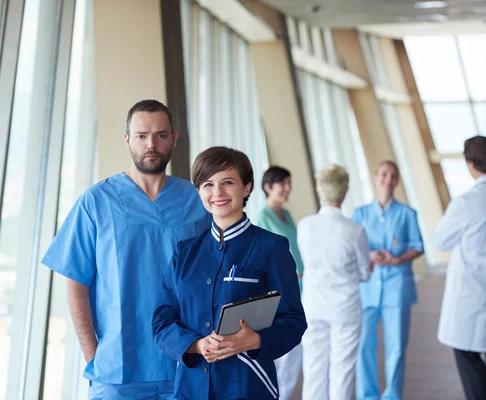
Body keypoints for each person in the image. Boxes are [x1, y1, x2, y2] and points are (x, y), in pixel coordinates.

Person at [41, 100, 210, 399]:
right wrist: (94, 356)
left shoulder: (196, 200)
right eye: (142, 135)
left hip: (185, 364)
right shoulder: (96, 202)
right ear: (127, 138)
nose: (151, 144)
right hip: (117, 372)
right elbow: (76, 286)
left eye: (160, 135)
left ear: (174, 137)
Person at [152, 146, 307, 400]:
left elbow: (293, 321)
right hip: (191, 390)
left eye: (227, 182)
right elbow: (162, 322)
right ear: (199, 191)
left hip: (249, 387)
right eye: (208, 184)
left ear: (247, 188)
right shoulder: (184, 252)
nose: (217, 193)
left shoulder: (271, 248)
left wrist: (254, 340)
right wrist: (198, 345)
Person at [434, 136, 486, 400]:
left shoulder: (466, 202)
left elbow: (440, 241)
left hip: (473, 292)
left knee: (466, 353)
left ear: (469, 163)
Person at [351, 160, 424, 400]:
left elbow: (418, 246)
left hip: (397, 288)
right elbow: (352, 248)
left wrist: (398, 259)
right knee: (363, 347)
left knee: (397, 347)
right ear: (374, 176)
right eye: (383, 174)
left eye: (393, 175)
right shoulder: (359, 214)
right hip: (366, 289)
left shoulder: (407, 214)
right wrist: (369, 254)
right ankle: (367, 396)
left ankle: (392, 395)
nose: (388, 179)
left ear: (397, 180)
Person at [298, 164, 372, 400]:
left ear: (320, 191)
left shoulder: (305, 225)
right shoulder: (355, 230)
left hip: (313, 305)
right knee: (342, 369)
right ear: (345, 192)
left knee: (313, 369)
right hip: (345, 307)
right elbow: (364, 273)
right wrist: (368, 267)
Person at [253, 166, 305, 400]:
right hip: (280, 297)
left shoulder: (287, 215)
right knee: (285, 357)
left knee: (294, 357)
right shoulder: (263, 218)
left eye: (289, 183)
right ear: (267, 187)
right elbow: (262, 262)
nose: (287, 189)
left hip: (301, 292)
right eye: (282, 184)